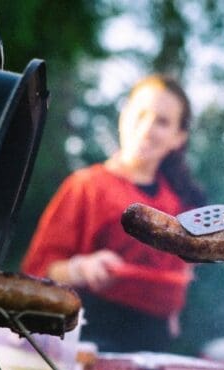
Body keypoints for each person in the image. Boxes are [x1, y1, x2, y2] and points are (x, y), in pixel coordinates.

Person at [21, 74, 205, 353]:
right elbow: (35, 272)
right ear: (124, 116)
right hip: (84, 339)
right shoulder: (85, 186)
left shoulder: (180, 204)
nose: (147, 128)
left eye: (163, 122)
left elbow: (180, 278)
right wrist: (81, 268)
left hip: (154, 347)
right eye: (140, 114)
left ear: (178, 138)